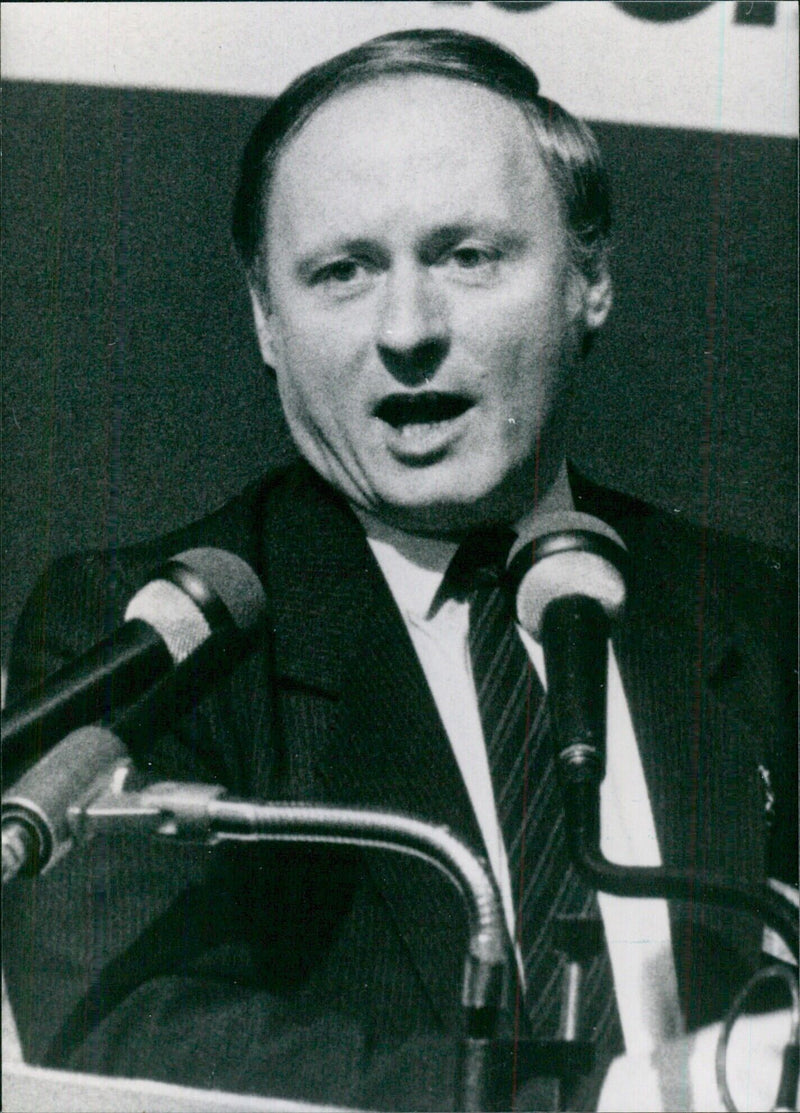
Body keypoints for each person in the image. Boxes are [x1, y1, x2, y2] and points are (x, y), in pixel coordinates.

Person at [3, 28, 796, 1112]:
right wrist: (619, 1102)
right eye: (342, 272)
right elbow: (121, 1025)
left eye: (467, 256)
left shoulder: (754, 610)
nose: (407, 330)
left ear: (589, 280)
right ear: (264, 320)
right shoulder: (152, 639)